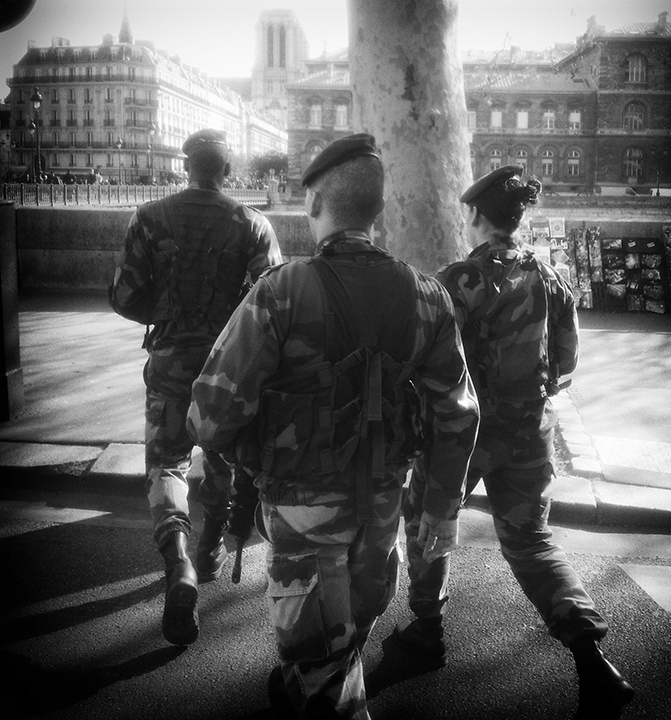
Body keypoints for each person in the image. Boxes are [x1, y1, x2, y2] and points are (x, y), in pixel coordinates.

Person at [186, 133, 479, 719]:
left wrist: (250, 454)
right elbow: (459, 416)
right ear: (377, 210)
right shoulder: (429, 298)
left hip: (302, 506)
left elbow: (210, 415)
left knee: (328, 675)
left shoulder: (279, 293)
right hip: (382, 506)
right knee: (344, 638)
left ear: (316, 204)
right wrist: (440, 512)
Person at [393, 165, 635, 720]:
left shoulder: (458, 280)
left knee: (428, 520)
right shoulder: (553, 279)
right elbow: (567, 364)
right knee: (530, 543)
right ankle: (593, 660)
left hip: (465, 435)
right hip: (529, 434)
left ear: (476, 216)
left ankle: (426, 630)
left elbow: (425, 361)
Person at [109, 128, 283, 647]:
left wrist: (162, 317)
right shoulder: (253, 224)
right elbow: (266, 303)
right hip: (225, 365)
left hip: (168, 359)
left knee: (167, 463)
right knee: (222, 454)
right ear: (228, 171)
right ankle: (210, 548)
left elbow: (124, 295)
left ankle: (178, 561)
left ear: (186, 167)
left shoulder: (147, 218)